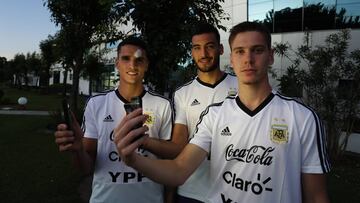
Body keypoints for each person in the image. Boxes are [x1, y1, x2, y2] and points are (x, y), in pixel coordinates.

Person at [114, 22, 331, 203]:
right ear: (232, 58)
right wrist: (133, 159)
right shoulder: (214, 115)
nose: (248, 59)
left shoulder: (302, 117)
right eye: (240, 52)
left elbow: (316, 195)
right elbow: (179, 168)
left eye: (257, 50)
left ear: (271, 56)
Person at [54, 36, 178, 203]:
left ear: (147, 64)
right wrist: (78, 150)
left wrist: (144, 141)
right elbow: (86, 168)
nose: (132, 65)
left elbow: (170, 159)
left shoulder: (162, 105)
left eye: (139, 60)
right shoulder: (96, 103)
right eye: (126, 58)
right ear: (117, 63)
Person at [170, 22, 237, 202]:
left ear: (221, 49)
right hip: (191, 191)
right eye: (197, 48)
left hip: (232, 191)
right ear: (192, 52)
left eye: (209, 47)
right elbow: (178, 144)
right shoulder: (182, 93)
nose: (204, 54)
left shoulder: (241, 87)